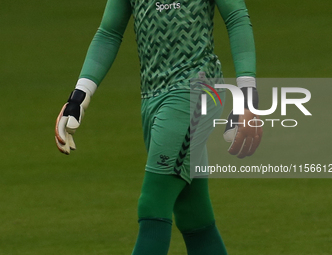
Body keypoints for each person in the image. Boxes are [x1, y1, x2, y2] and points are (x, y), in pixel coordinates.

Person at [55, 0, 262, 254]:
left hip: (197, 92)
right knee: (193, 214)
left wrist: (247, 98)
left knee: (153, 203)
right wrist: (79, 97)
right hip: (153, 99)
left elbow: (237, 18)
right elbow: (108, 33)